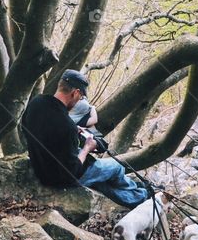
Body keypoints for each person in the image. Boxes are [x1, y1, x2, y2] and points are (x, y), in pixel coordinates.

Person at [20, 69, 150, 208]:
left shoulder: (36, 103)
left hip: (40, 169)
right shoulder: (67, 126)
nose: (79, 101)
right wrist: (87, 147)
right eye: (80, 97)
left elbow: (28, 127)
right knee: (116, 167)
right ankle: (140, 191)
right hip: (60, 179)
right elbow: (71, 172)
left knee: (101, 183)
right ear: (75, 92)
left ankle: (140, 197)